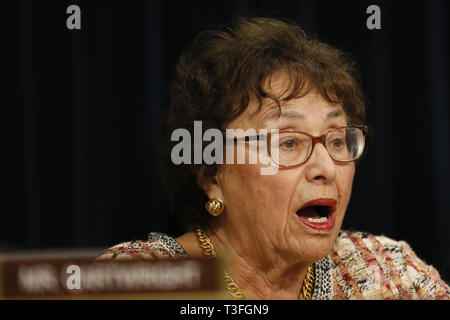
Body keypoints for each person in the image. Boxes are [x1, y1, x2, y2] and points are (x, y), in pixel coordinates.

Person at [97, 16, 450, 300]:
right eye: (288, 143)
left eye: (338, 140)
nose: (327, 168)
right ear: (212, 175)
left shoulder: (387, 274)